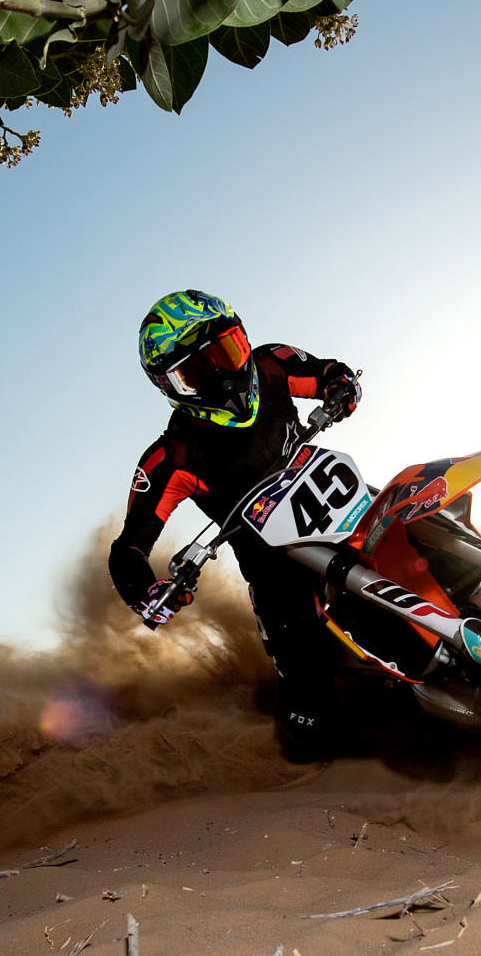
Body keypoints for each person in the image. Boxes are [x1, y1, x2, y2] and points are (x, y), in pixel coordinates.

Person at [109, 290, 361, 761]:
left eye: (224, 353)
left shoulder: (270, 365)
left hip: (345, 511)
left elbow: (328, 370)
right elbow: (129, 549)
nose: (222, 377)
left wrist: (340, 386)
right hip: (277, 572)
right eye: (195, 373)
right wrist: (147, 590)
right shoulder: (172, 456)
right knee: (307, 696)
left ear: (241, 338)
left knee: (420, 509)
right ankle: (310, 750)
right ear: (170, 387)